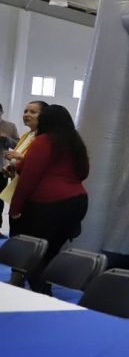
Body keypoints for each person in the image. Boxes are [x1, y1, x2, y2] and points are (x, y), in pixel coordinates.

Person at [8, 104, 89, 293]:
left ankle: (41, 294)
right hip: (77, 202)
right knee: (50, 252)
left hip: (48, 205)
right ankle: (44, 291)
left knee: (34, 254)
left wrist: (15, 209)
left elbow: (29, 179)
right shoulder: (75, 141)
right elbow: (83, 172)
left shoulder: (43, 141)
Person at [0, 101, 45, 237]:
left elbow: (35, 163)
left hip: (29, 191)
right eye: (25, 111)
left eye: (32, 112)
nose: (26, 114)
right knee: (15, 227)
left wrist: (6, 139)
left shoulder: (42, 138)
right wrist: (11, 166)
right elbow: (19, 156)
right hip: (16, 183)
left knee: (23, 230)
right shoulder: (27, 135)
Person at [0, 103, 18, 234]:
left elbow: (18, 145)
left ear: (1, 112)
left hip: (1, 169)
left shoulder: (10, 126)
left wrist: (6, 138)